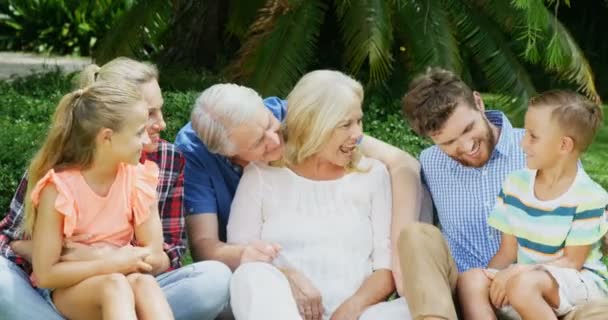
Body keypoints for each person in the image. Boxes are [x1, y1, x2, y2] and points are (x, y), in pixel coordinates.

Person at [0, 57, 231, 320]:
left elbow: (163, 253)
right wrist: (101, 259)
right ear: (107, 132)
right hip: (69, 291)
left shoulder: (146, 174)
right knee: (113, 286)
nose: (161, 125)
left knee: (200, 280)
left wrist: (108, 257)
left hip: (134, 278)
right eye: (146, 120)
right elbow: (26, 253)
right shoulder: (58, 179)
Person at [175, 83, 424, 299]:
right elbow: (205, 245)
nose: (275, 140)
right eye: (258, 143)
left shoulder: (292, 114)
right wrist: (272, 270)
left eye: (270, 125)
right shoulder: (196, 153)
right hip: (253, 265)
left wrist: (399, 250)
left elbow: (403, 163)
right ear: (228, 154)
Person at [227, 70, 411, 320]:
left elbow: (385, 268)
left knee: (414, 310)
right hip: (283, 311)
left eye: (359, 121)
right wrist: (287, 277)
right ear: (313, 125)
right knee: (251, 276)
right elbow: (244, 256)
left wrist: (350, 310)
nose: (357, 134)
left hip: (359, 316)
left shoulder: (373, 174)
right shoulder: (260, 176)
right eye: (346, 124)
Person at [24, 81, 174, 319]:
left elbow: (156, 255)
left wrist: (95, 254)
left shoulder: (139, 179)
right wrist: (110, 261)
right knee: (113, 285)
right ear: (107, 138)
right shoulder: (59, 189)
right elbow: (45, 274)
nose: (147, 141)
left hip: (124, 278)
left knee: (144, 284)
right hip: (69, 291)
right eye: (138, 133)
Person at [458, 90, 607, 320]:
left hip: (576, 282)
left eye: (533, 136)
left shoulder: (590, 196)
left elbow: (572, 261)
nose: (522, 142)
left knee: (523, 285)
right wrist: (495, 279)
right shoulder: (515, 185)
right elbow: (507, 252)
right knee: (470, 279)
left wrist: (521, 271)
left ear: (564, 145)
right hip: (526, 282)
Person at [397, 68, 526, 320]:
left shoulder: (539, 148)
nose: (467, 147)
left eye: (468, 129)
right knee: (416, 234)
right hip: (463, 300)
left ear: (478, 102)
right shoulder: (430, 163)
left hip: (533, 291)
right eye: (448, 143)